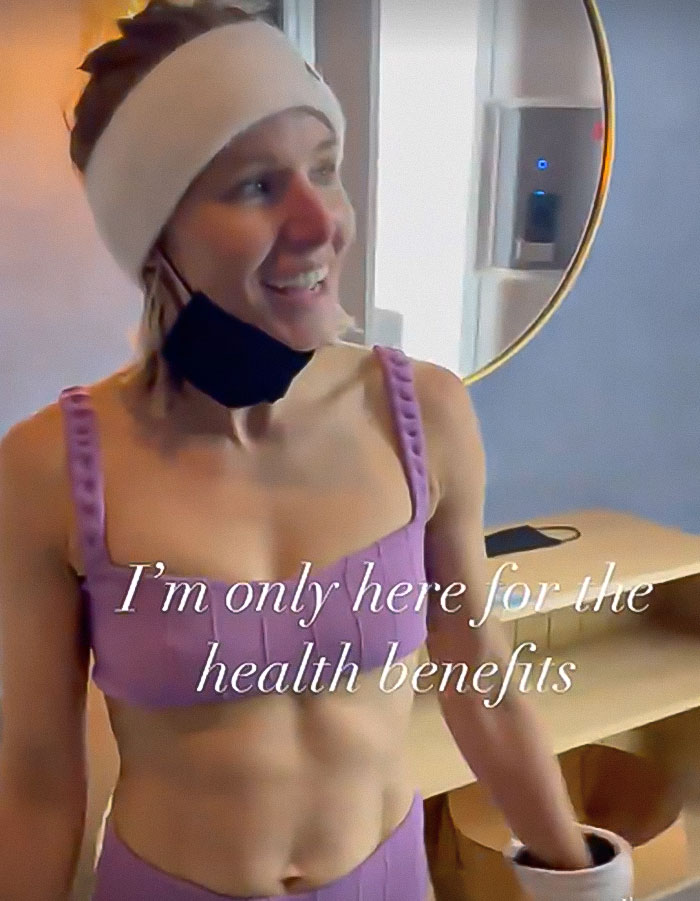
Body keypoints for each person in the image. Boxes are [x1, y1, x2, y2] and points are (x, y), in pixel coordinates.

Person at [0, 2, 633, 899]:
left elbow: (481, 680)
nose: (321, 222)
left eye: (325, 169)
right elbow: (36, 776)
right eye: (256, 186)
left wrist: (580, 879)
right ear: (153, 227)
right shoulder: (49, 471)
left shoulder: (424, 414)